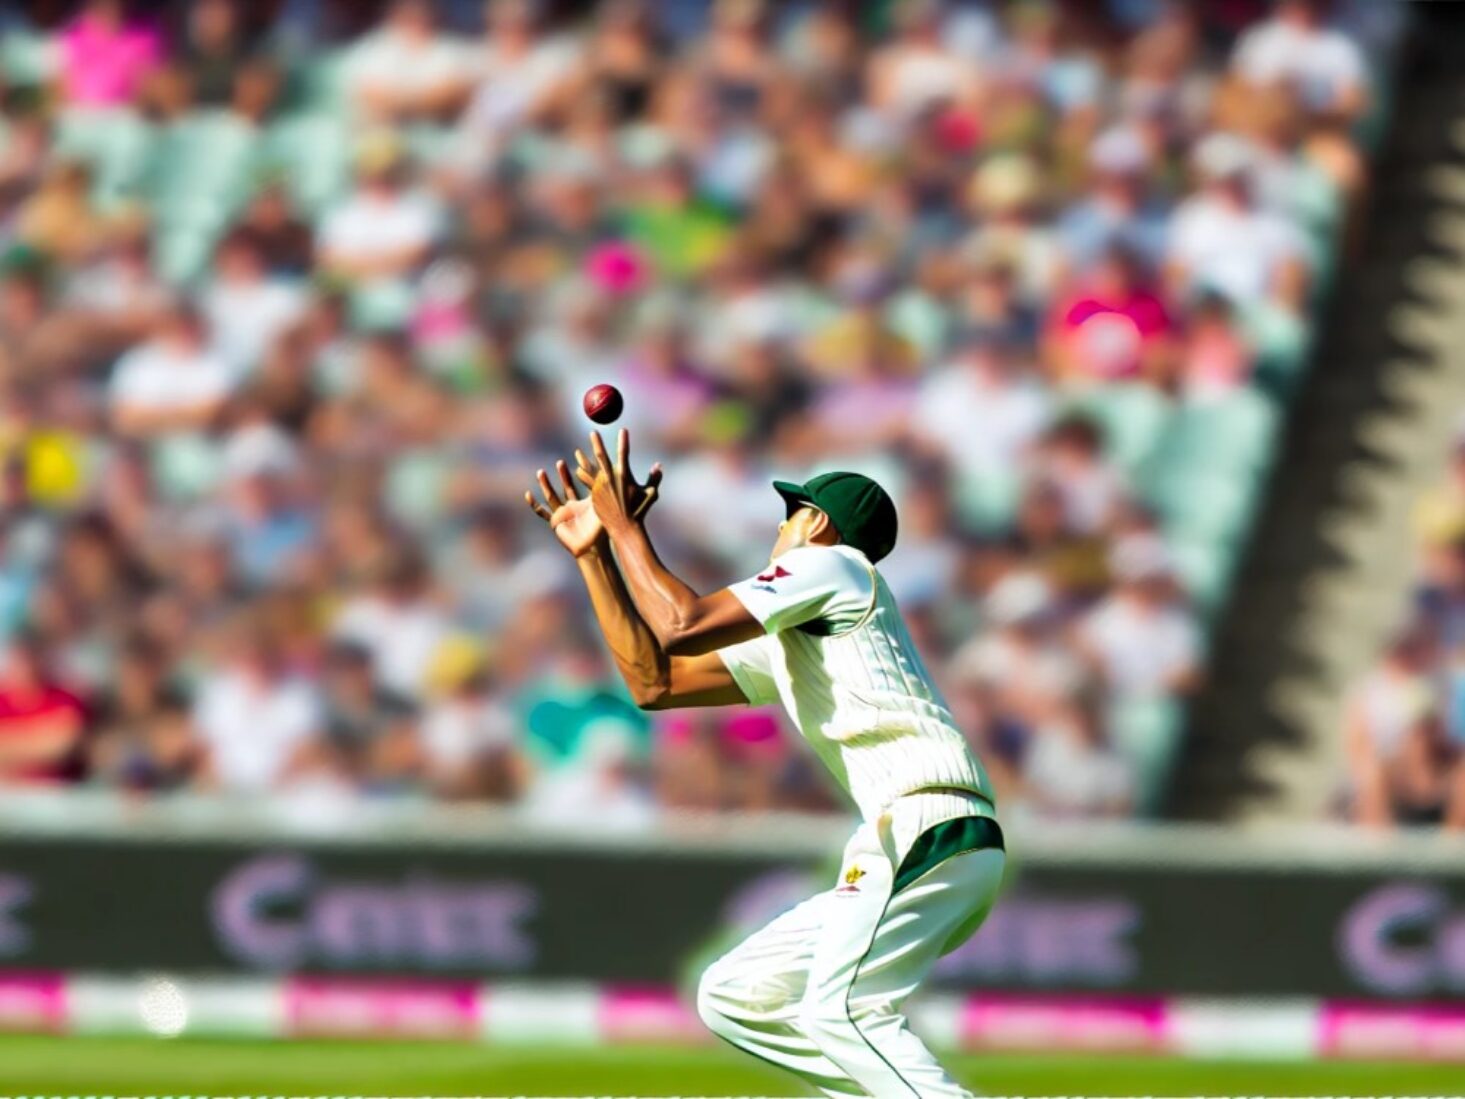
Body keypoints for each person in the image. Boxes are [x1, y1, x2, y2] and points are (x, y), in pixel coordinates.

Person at [525, 428, 1004, 1098]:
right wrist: (596, 555)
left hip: (925, 821)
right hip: (926, 829)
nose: (779, 529)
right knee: (734, 994)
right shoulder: (801, 623)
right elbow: (654, 681)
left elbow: (681, 622)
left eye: (789, 513)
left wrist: (626, 525)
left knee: (840, 1011)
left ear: (813, 521)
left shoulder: (833, 566)